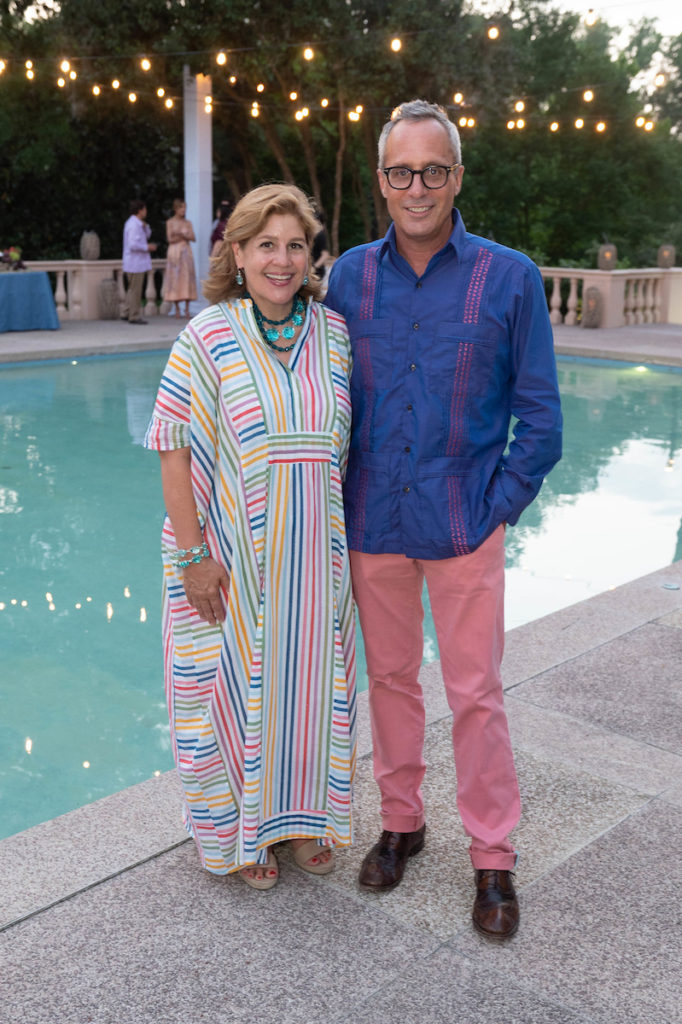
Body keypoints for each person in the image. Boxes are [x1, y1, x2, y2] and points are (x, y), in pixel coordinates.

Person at [324, 99, 562, 938]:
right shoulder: (347, 277)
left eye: (433, 170)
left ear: (456, 177)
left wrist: (493, 510)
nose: (416, 186)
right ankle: (402, 822)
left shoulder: (511, 277)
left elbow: (541, 420)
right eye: (400, 171)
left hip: (464, 524)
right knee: (388, 682)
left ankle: (493, 857)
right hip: (373, 523)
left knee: (475, 692)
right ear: (381, 183)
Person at [144, 183, 357, 890]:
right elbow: (173, 447)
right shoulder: (205, 336)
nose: (283, 259)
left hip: (313, 562)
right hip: (232, 560)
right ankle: (233, 836)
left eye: (296, 244)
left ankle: (297, 824)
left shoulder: (332, 335)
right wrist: (194, 556)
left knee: (304, 692)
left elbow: (342, 447)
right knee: (225, 695)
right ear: (237, 252)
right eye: (267, 244)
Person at [122, 199, 157, 324]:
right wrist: (147, 247)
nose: (146, 211)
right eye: (145, 209)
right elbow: (132, 244)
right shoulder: (133, 224)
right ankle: (134, 315)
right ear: (140, 210)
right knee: (135, 290)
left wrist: (145, 226)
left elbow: (147, 235)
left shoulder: (137, 223)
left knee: (132, 289)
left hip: (134, 263)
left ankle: (126, 312)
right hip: (135, 263)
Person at [163, 198, 197, 319]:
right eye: (181, 208)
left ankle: (187, 309)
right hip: (174, 252)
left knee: (187, 277)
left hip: (185, 252)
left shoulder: (188, 223)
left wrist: (184, 235)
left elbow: (193, 237)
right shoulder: (170, 222)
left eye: (185, 208)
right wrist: (181, 236)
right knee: (175, 278)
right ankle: (177, 308)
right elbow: (170, 239)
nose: (183, 210)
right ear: (176, 209)